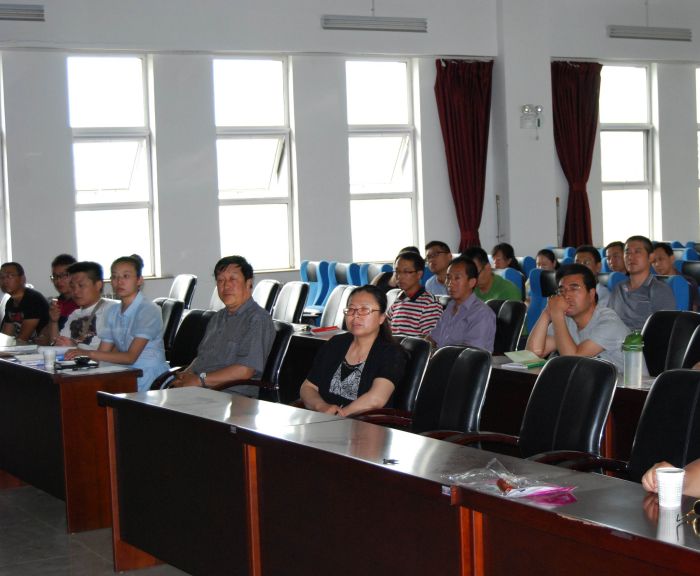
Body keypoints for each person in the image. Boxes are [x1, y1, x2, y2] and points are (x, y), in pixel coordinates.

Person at [170, 255, 275, 394]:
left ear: (249, 283)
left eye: (233, 279)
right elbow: (202, 357)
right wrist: (187, 373)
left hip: (231, 397)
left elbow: (245, 371)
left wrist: (200, 379)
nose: (226, 286)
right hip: (201, 390)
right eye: (220, 280)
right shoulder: (217, 317)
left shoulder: (257, 319)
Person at [64, 255, 169, 392]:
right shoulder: (113, 310)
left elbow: (130, 357)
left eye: (126, 276)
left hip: (150, 378)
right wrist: (78, 357)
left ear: (139, 280)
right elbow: (103, 353)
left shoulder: (148, 309)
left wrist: (87, 353)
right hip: (124, 373)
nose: (119, 282)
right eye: (114, 277)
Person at [300, 285, 407, 416]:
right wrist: (321, 407)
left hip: (365, 424)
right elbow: (308, 387)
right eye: (351, 309)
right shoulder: (336, 343)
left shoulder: (392, 353)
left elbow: (376, 399)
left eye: (364, 310)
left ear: (381, 317)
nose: (355, 315)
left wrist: (339, 415)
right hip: (323, 419)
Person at [526, 264, 628, 372]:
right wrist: (547, 312)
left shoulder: (608, 322)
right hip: (588, 379)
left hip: (623, 382)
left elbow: (574, 361)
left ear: (591, 294)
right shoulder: (566, 321)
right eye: (561, 291)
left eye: (574, 289)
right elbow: (532, 355)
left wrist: (557, 314)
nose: (566, 296)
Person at [607, 235, 676, 331]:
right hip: (613, 337)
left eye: (637, 252)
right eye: (627, 252)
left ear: (651, 257)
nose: (630, 257)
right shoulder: (619, 287)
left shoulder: (660, 290)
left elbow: (664, 330)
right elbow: (608, 319)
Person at [428, 256, 496, 352]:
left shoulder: (482, 314)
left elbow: (470, 353)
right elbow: (433, 338)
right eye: (448, 278)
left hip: (462, 360)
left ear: (472, 282)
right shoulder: (450, 307)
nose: (450, 283)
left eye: (457, 278)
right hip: (441, 358)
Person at [51, 261, 117, 349]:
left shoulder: (112, 309)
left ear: (98, 285)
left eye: (81, 285)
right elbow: (59, 344)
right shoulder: (75, 314)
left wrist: (76, 347)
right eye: (72, 286)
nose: (75, 291)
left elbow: (113, 351)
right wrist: (54, 322)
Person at [387, 251, 443, 337]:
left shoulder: (430, 304)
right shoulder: (399, 298)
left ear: (419, 274)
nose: (399, 276)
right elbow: (385, 329)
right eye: (397, 271)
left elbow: (431, 341)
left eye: (406, 272)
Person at [0, 262, 49, 343]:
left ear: (22, 279)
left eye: (10, 276)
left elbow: (22, 339)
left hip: (39, 348)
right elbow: (7, 336)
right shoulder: (10, 302)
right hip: (20, 347)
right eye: (1, 277)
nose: (5, 280)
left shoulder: (33, 299)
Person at [652, 242, 699, 311]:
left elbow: (691, 313)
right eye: (653, 261)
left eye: (661, 259)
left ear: (672, 258)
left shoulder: (687, 283)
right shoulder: (651, 282)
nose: (657, 264)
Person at [49, 254, 79, 330]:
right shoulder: (57, 303)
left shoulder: (82, 303)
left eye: (64, 275)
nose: (58, 281)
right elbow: (46, 331)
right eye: (55, 276)